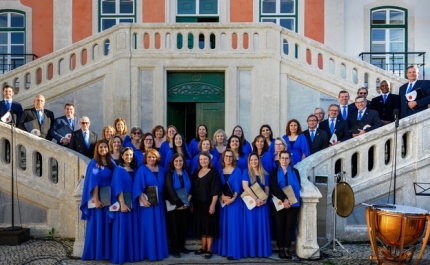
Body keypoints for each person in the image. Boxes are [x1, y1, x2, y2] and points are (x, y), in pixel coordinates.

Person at [80, 140, 115, 261]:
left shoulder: (111, 162)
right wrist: (96, 199)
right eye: (100, 147)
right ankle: (96, 253)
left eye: (105, 147)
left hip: (109, 198)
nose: (103, 149)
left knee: (107, 226)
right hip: (99, 199)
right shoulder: (94, 162)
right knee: (98, 225)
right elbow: (93, 182)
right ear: (97, 149)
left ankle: (106, 252)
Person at [133, 149, 169, 261]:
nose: (151, 159)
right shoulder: (142, 170)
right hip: (147, 204)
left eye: (153, 157)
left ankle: (159, 252)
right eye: (149, 157)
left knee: (158, 226)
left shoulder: (162, 169)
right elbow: (137, 187)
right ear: (145, 158)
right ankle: (148, 253)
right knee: (148, 227)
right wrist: (143, 200)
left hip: (159, 204)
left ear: (157, 157)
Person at [269, 150, 301, 260]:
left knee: (289, 227)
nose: (284, 160)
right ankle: (281, 249)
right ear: (279, 159)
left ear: (290, 159)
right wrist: (284, 199)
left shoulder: (295, 172)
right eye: (282, 158)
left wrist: (290, 200)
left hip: (293, 203)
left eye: (287, 158)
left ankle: (287, 249)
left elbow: (298, 186)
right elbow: (274, 187)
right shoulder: (274, 172)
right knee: (279, 226)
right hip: (278, 203)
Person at [213, 149, 244, 260]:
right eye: (226, 156)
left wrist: (233, 198)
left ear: (233, 158)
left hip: (234, 202)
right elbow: (216, 185)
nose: (228, 158)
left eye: (231, 156)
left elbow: (238, 187)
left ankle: (232, 251)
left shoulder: (238, 170)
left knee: (233, 227)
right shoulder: (219, 170)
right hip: (222, 202)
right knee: (222, 226)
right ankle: (223, 250)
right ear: (223, 157)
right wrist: (222, 196)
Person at [190, 151, 221, 259]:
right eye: (201, 159)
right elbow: (193, 190)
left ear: (209, 160)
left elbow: (216, 191)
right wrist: (192, 204)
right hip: (198, 204)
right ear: (199, 161)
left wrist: (212, 205)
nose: (203, 161)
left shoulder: (214, 172)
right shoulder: (196, 172)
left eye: (205, 159)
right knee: (202, 226)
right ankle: (203, 247)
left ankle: (209, 249)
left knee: (209, 227)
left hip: (209, 203)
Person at [110, 147, 138, 264]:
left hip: (133, 202)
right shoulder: (119, 169)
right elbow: (118, 187)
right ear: (122, 156)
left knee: (132, 228)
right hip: (124, 203)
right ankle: (121, 255)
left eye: (130, 155)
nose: (129, 157)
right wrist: (122, 204)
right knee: (123, 229)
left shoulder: (135, 169)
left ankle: (130, 255)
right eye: (126, 155)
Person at [241, 153, 272, 258]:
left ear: (259, 161)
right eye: (251, 160)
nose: (254, 162)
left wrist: (264, 199)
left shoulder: (265, 173)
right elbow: (245, 187)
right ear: (249, 162)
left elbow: (267, 189)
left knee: (260, 227)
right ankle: (251, 251)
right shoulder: (246, 172)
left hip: (262, 205)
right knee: (250, 227)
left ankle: (261, 251)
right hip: (251, 205)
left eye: (255, 160)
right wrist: (256, 199)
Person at [164, 153, 192, 258]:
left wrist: (187, 202)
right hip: (173, 204)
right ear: (173, 162)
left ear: (183, 162)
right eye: (176, 161)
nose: (178, 163)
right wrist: (178, 203)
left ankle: (181, 246)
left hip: (186, 204)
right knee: (174, 228)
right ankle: (175, 249)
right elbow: (170, 189)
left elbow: (192, 188)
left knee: (183, 226)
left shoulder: (187, 173)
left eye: (180, 161)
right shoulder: (169, 174)